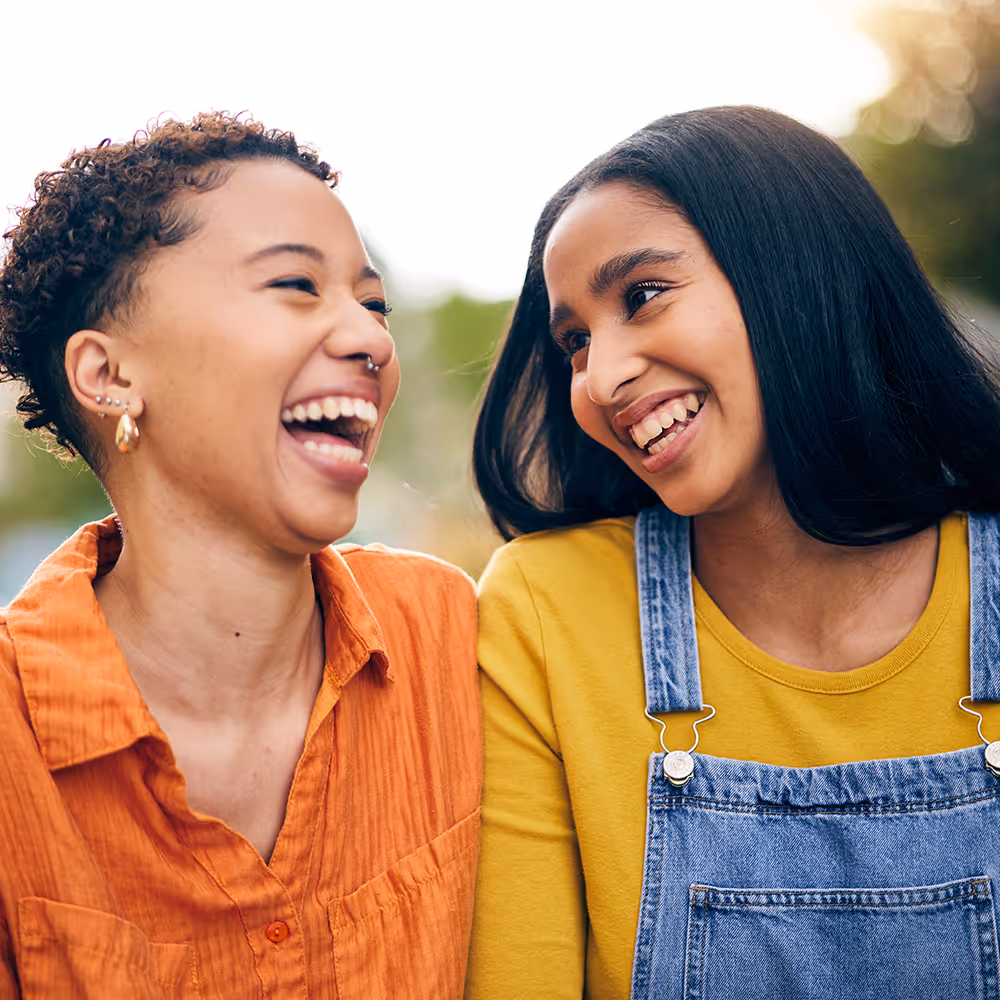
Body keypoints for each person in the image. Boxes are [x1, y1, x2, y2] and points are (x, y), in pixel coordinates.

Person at [465, 105, 1000, 1000]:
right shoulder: (548, 609)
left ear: (796, 272)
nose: (600, 380)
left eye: (640, 295)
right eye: (575, 342)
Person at [0, 113, 480, 999]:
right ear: (106, 375)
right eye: (296, 284)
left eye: (373, 305)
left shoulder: (449, 633)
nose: (373, 341)